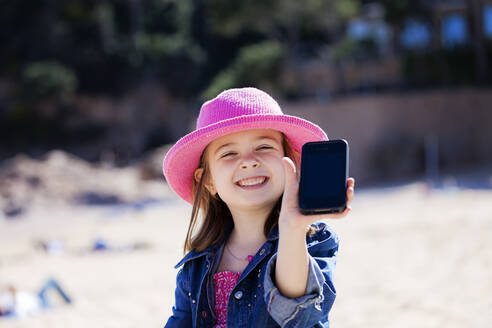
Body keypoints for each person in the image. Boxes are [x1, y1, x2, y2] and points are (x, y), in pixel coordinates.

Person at [162, 87, 355, 327]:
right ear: (207, 180)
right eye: (229, 153)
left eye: (264, 147)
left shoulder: (312, 240)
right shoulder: (197, 264)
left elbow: (299, 313)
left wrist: (292, 228)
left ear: (290, 162)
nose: (249, 162)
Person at [0, 278, 72, 319]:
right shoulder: (14, 310)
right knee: (54, 307)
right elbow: (21, 315)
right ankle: (68, 302)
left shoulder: (5, 297)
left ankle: (69, 300)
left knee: (51, 280)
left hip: (37, 295)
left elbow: (11, 287)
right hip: (41, 305)